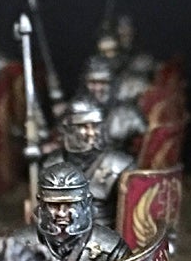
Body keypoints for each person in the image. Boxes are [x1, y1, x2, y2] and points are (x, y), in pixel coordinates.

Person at [38, 97, 137, 229]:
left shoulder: (120, 165)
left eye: (94, 126)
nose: (91, 133)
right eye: (84, 127)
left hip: (104, 236)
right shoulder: (51, 164)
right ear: (69, 129)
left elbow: (131, 217)